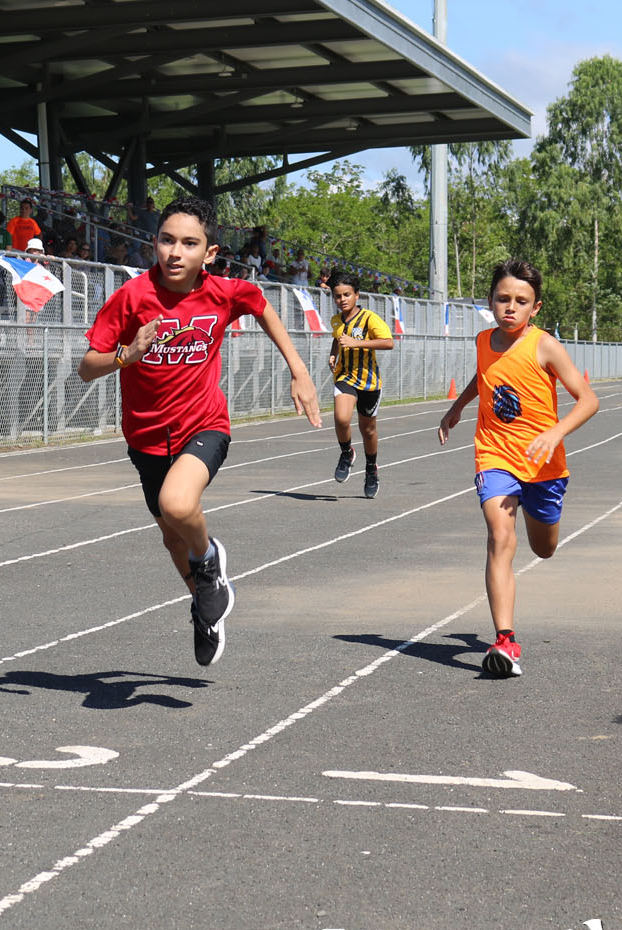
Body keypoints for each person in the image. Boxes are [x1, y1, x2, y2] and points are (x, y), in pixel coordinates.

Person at [77, 196, 322, 666]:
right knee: (172, 538)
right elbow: (87, 368)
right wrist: (127, 353)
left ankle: (209, 558)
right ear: (154, 243)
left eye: (189, 244)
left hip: (203, 425)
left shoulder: (223, 292)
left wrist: (300, 371)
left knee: (178, 504)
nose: (176, 252)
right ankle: (207, 607)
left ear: (209, 253)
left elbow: (263, 308)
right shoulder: (131, 298)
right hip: (145, 438)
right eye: (167, 240)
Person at [437, 259, 599, 678]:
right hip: (495, 455)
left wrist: (555, 433)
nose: (510, 307)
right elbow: (485, 376)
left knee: (543, 548)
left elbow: (588, 400)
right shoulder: (483, 339)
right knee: (499, 535)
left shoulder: (544, 345)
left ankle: (540, 518)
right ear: (490, 301)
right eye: (503, 298)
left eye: (520, 301)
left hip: (544, 465)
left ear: (536, 307)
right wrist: (458, 407)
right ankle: (505, 640)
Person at [327, 271, 394, 499]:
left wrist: (357, 343)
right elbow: (338, 339)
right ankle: (347, 453)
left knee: (368, 430)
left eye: (347, 294)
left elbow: (388, 342)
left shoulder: (369, 318)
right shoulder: (336, 320)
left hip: (369, 382)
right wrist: (333, 353)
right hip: (345, 377)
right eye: (338, 296)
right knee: (341, 417)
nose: (342, 300)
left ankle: (371, 469)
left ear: (357, 295)